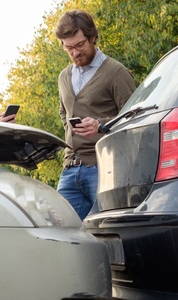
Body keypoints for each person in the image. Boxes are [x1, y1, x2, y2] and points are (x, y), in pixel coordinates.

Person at [55, 9, 136, 220]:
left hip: (105, 168)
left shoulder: (116, 72)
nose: (74, 53)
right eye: (68, 47)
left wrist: (100, 125)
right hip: (70, 169)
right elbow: (64, 114)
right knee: (60, 232)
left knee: (106, 234)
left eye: (79, 45)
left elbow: (134, 118)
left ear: (93, 38)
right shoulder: (64, 77)